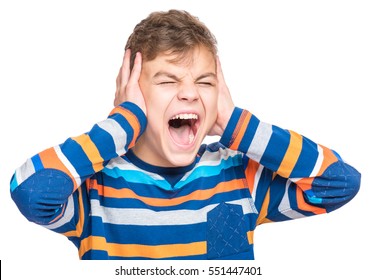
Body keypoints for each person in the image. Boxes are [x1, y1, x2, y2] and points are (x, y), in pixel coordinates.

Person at [10, 9, 361, 260]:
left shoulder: (241, 178)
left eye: (205, 82)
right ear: (132, 92)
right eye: (167, 81)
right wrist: (122, 123)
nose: (191, 93)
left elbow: (340, 184)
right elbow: (31, 192)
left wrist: (237, 125)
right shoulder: (94, 188)